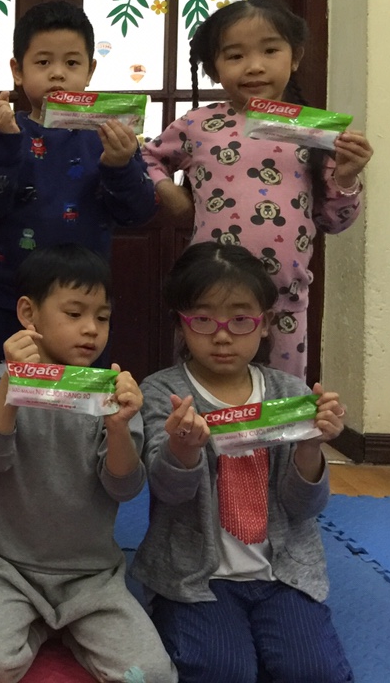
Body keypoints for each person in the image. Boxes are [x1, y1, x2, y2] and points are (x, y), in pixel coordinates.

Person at [0, 244, 176, 683]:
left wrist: (118, 427)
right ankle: (41, 624)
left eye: (102, 317)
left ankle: (67, 627)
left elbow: (124, 487)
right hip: (7, 568)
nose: (91, 329)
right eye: (74, 313)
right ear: (28, 313)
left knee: (149, 674)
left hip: (92, 575)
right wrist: (13, 385)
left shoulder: (112, 389)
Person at [133, 242, 353, 683]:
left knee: (313, 673)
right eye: (203, 319)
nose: (222, 335)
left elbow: (305, 508)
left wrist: (311, 447)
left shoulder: (289, 394)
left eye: (240, 319)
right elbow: (167, 493)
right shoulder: (163, 394)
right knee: (223, 671)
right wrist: (183, 450)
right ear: (181, 322)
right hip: (196, 577)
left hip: (283, 573)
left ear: (265, 323)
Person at [142, 0, 372, 377]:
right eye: (235, 55)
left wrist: (346, 176)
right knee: (202, 390)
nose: (254, 66)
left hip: (284, 303)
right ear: (213, 68)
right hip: (209, 303)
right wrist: (172, 196)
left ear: (295, 57)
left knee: (281, 397)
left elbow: (334, 222)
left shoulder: (315, 132)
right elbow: (147, 158)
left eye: (270, 50)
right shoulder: (198, 125)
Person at [0, 0, 155, 369]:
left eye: (71, 63)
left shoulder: (108, 135)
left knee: (82, 400)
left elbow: (138, 212)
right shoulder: (5, 130)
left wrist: (119, 164)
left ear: (90, 71)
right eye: (43, 62)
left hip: (84, 310)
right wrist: (4, 143)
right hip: (8, 300)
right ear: (17, 71)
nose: (57, 74)